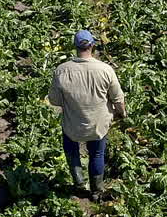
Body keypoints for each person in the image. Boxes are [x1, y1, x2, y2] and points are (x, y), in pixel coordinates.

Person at [47, 29, 126, 198]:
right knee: (97, 154)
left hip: (72, 125)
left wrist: (71, 104)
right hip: (98, 125)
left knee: (72, 152)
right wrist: (121, 113)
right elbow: (118, 99)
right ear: (92, 46)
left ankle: (79, 185)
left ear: (75, 47)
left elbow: (53, 100)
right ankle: (97, 190)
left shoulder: (61, 70)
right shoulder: (105, 70)